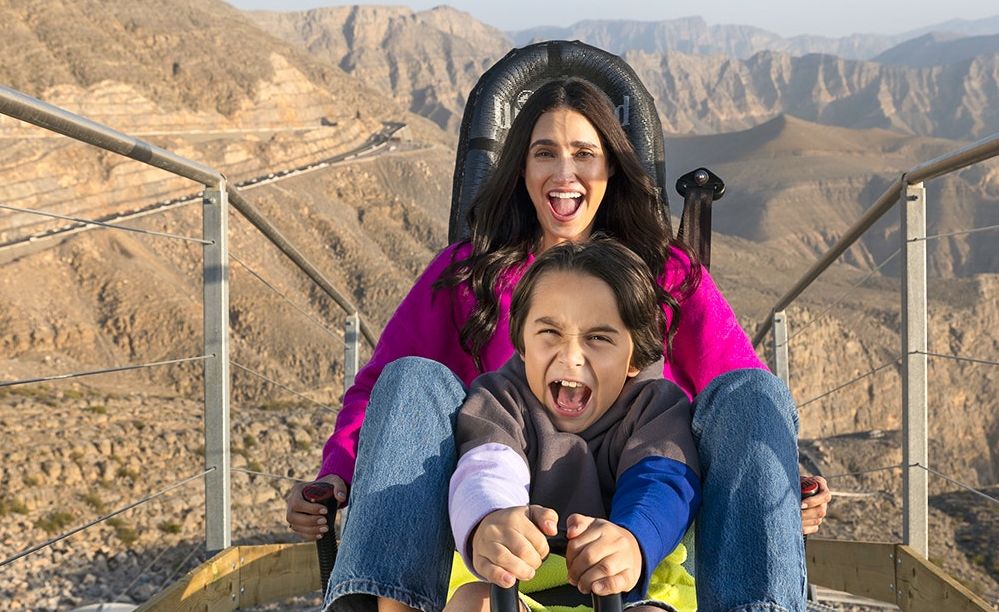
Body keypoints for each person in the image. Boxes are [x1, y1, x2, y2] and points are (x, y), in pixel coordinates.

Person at [284, 77, 831, 612]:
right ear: (521, 168)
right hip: (497, 534)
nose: (564, 173)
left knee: (752, 388)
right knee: (412, 376)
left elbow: (739, 396)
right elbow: (391, 395)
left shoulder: (667, 274)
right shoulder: (468, 276)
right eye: (544, 153)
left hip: (639, 520)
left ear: (610, 167)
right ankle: (381, 602)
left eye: (584, 154)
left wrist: (778, 482)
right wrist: (339, 472)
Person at [447, 238, 698, 612]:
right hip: (518, 591)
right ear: (523, 342)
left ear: (634, 359)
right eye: (550, 333)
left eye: (598, 338)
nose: (570, 356)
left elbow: (661, 480)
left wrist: (632, 539)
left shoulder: (655, 406)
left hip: (632, 592)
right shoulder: (500, 398)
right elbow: (488, 466)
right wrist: (490, 517)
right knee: (474, 603)